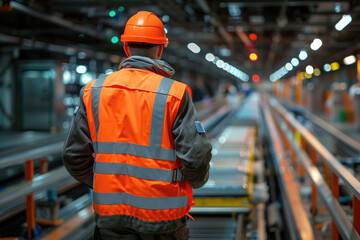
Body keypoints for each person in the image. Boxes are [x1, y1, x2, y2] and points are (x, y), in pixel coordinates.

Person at [62, 11, 212, 240]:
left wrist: (106, 182)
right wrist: (194, 181)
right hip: (163, 221)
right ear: (161, 49)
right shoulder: (175, 94)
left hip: (110, 219)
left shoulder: (93, 92)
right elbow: (197, 159)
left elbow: (73, 156)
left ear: (126, 48)